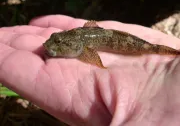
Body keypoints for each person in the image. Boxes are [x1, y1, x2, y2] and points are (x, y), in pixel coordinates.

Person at [0, 14, 180, 126]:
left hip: (131, 45)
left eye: (61, 44)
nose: (52, 46)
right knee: (149, 47)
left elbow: (91, 51)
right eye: (56, 40)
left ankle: (165, 50)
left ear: (78, 46)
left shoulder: (84, 47)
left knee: (149, 47)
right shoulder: (76, 40)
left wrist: (99, 64)